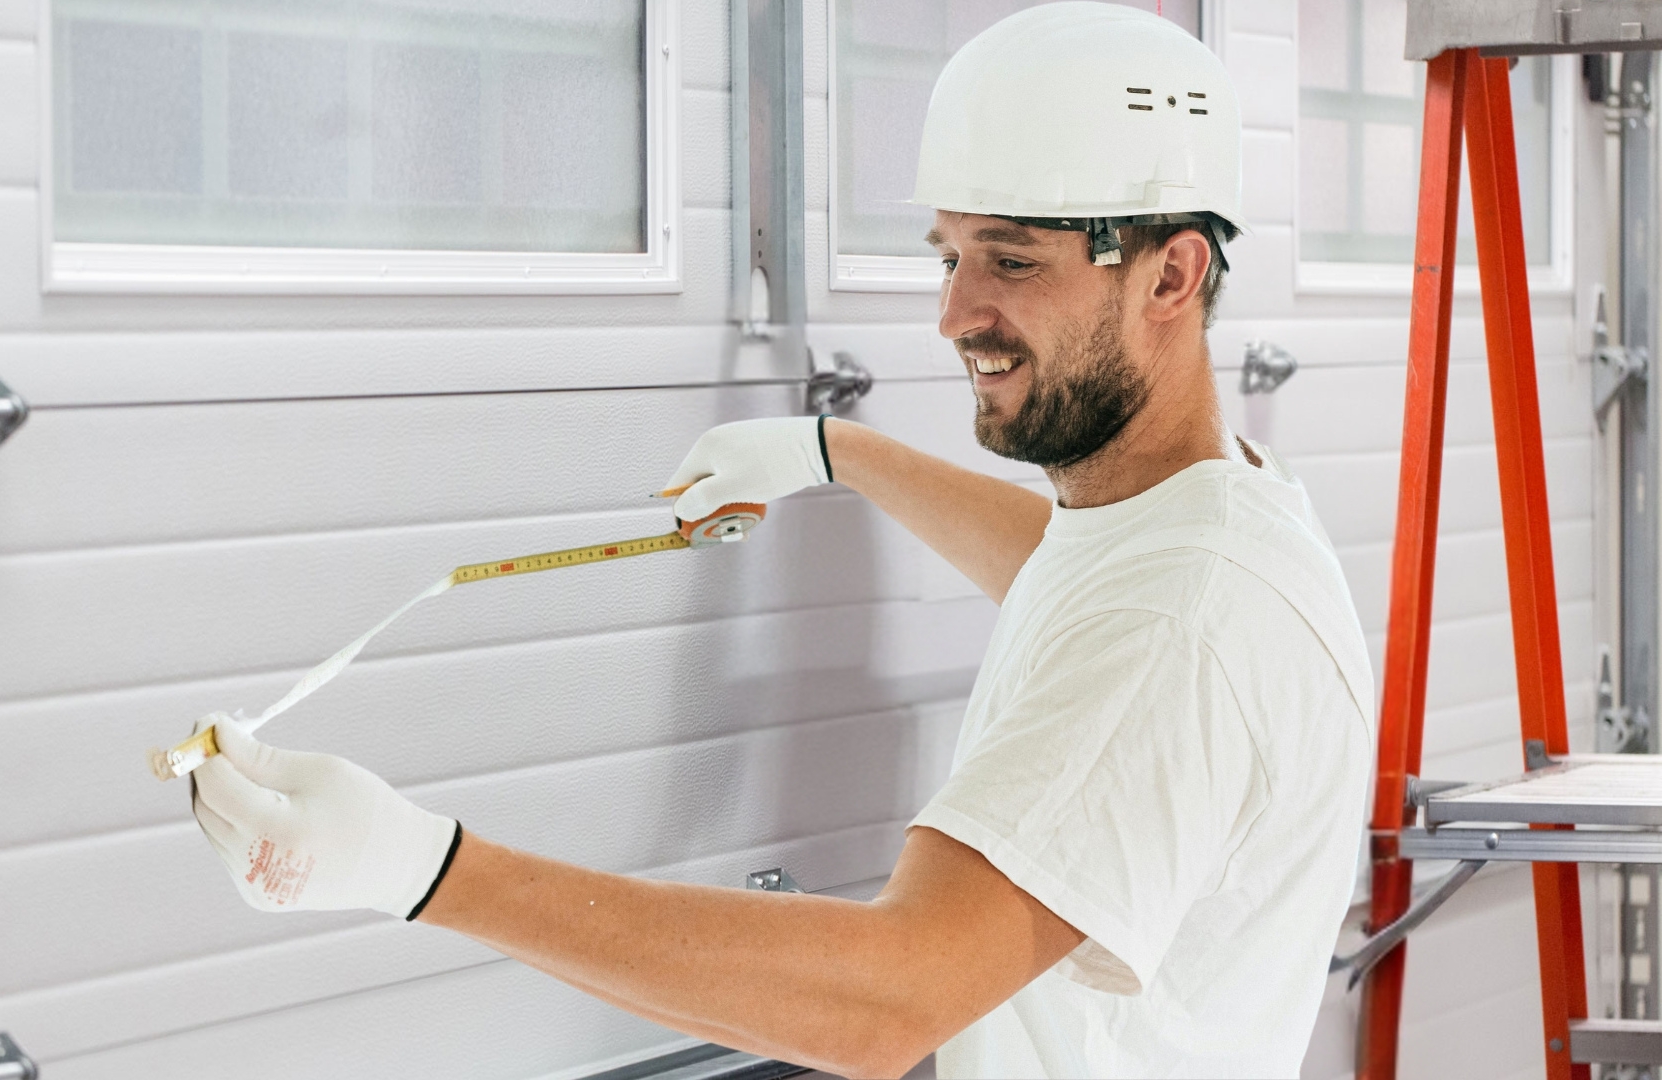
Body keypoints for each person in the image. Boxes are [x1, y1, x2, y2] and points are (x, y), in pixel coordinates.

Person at [186, 4, 1373, 1076]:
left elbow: (889, 998)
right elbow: (1080, 575)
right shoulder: (1214, 515)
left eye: (1012, 260)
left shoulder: (1179, 626)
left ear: (1172, 275)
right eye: (949, 255)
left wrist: (423, 869)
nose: (955, 313)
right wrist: (834, 454)